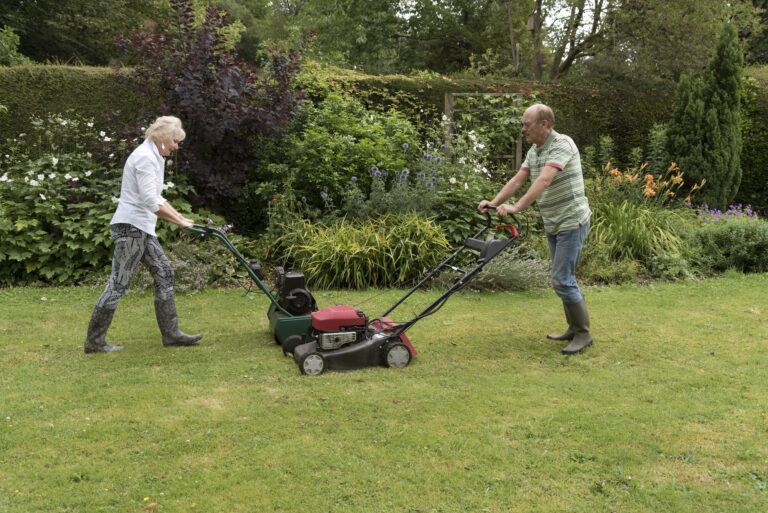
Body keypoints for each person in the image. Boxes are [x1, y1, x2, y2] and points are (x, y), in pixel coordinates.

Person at [478, 103, 593, 355]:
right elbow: (518, 179)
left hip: (572, 221)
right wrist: (495, 203)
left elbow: (545, 179)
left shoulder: (562, 144)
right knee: (564, 279)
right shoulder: (535, 150)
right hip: (554, 222)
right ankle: (574, 329)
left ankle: (583, 334)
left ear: (544, 124)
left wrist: (516, 207)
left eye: (527, 124)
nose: (523, 129)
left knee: (562, 280)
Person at [84, 115, 202, 353]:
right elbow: (150, 201)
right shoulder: (145, 158)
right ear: (163, 137)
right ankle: (94, 342)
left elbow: (155, 197)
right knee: (118, 283)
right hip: (131, 229)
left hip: (141, 229)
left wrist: (179, 217)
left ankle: (171, 334)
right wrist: (178, 221)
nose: (176, 146)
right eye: (175, 141)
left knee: (165, 275)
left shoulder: (153, 155)